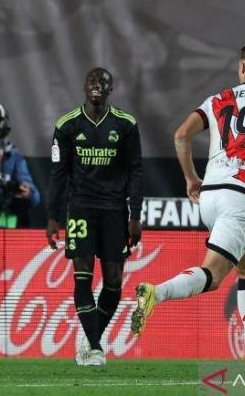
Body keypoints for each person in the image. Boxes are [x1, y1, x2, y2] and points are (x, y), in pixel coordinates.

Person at [131, 42, 245, 375]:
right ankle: (156, 293)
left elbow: (181, 135)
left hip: (210, 197)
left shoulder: (218, 100)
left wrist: (191, 179)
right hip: (243, 200)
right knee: (212, 277)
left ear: (241, 68)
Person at [45, 68, 143, 366]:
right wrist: (53, 217)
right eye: (92, 81)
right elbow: (58, 174)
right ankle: (96, 347)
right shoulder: (67, 125)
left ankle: (88, 340)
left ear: (111, 88)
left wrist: (135, 215)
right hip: (81, 209)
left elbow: (136, 170)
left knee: (113, 282)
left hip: (115, 209)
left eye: (103, 82)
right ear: (84, 86)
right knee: (83, 276)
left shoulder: (125, 124)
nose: (97, 86)